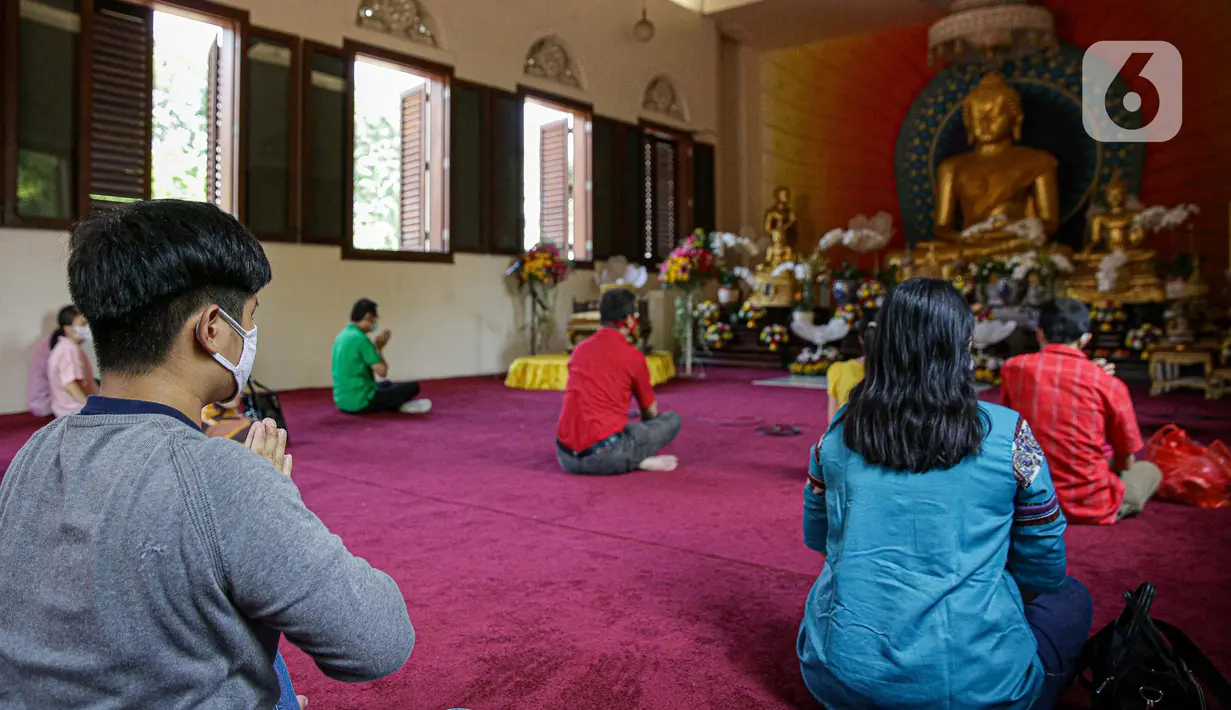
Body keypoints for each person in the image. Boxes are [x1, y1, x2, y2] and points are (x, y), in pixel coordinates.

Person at [0, 200, 413, 708]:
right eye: (250, 319)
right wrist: (268, 499)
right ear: (212, 328)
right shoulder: (222, 477)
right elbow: (380, 642)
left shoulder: (34, 452)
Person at [798, 278, 1092, 710]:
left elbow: (817, 536)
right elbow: (1045, 569)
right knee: (1071, 596)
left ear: (882, 343)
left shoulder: (840, 430)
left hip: (840, 681)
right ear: (965, 344)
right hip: (981, 693)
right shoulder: (1008, 433)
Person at [1000, 297, 1162, 525]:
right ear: (1085, 338)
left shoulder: (1013, 369)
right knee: (1151, 470)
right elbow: (1126, 462)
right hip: (1089, 503)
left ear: (1039, 332)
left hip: (1028, 501)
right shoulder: (1108, 384)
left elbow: (1008, 428)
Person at [556, 287, 681, 475]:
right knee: (671, 420)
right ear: (630, 319)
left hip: (565, 457)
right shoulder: (634, 356)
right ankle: (636, 459)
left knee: (616, 429)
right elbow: (649, 411)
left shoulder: (580, 349)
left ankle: (630, 456)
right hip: (605, 455)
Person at [332, 298, 431, 415]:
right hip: (361, 402)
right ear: (368, 316)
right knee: (413, 387)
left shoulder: (341, 336)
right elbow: (382, 372)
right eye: (374, 320)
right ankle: (398, 405)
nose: (374, 324)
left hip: (342, 400)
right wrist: (379, 348)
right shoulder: (360, 339)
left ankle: (394, 403)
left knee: (387, 384)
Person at [46, 304, 98, 418]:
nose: (88, 327)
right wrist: (93, 409)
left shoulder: (64, 347)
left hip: (69, 412)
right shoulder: (69, 349)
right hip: (75, 413)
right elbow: (71, 384)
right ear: (68, 329)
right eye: (83, 324)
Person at [825, 312, 875, 422]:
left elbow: (832, 422)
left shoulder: (839, 370)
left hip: (845, 436)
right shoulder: (898, 372)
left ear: (860, 339)